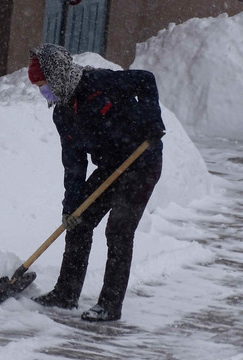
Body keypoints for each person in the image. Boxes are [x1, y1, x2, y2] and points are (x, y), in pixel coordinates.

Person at [28, 44, 165, 322]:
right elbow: (74, 164)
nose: (44, 92)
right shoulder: (63, 114)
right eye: (40, 87)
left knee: (119, 230)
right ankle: (66, 294)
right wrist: (70, 207)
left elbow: (145, 79)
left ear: (58, 76)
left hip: (142, 160)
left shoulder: (100, 83)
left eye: (44, 84)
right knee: (79, 220)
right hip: (111, 166)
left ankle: (110, 305)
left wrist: (152, 121)